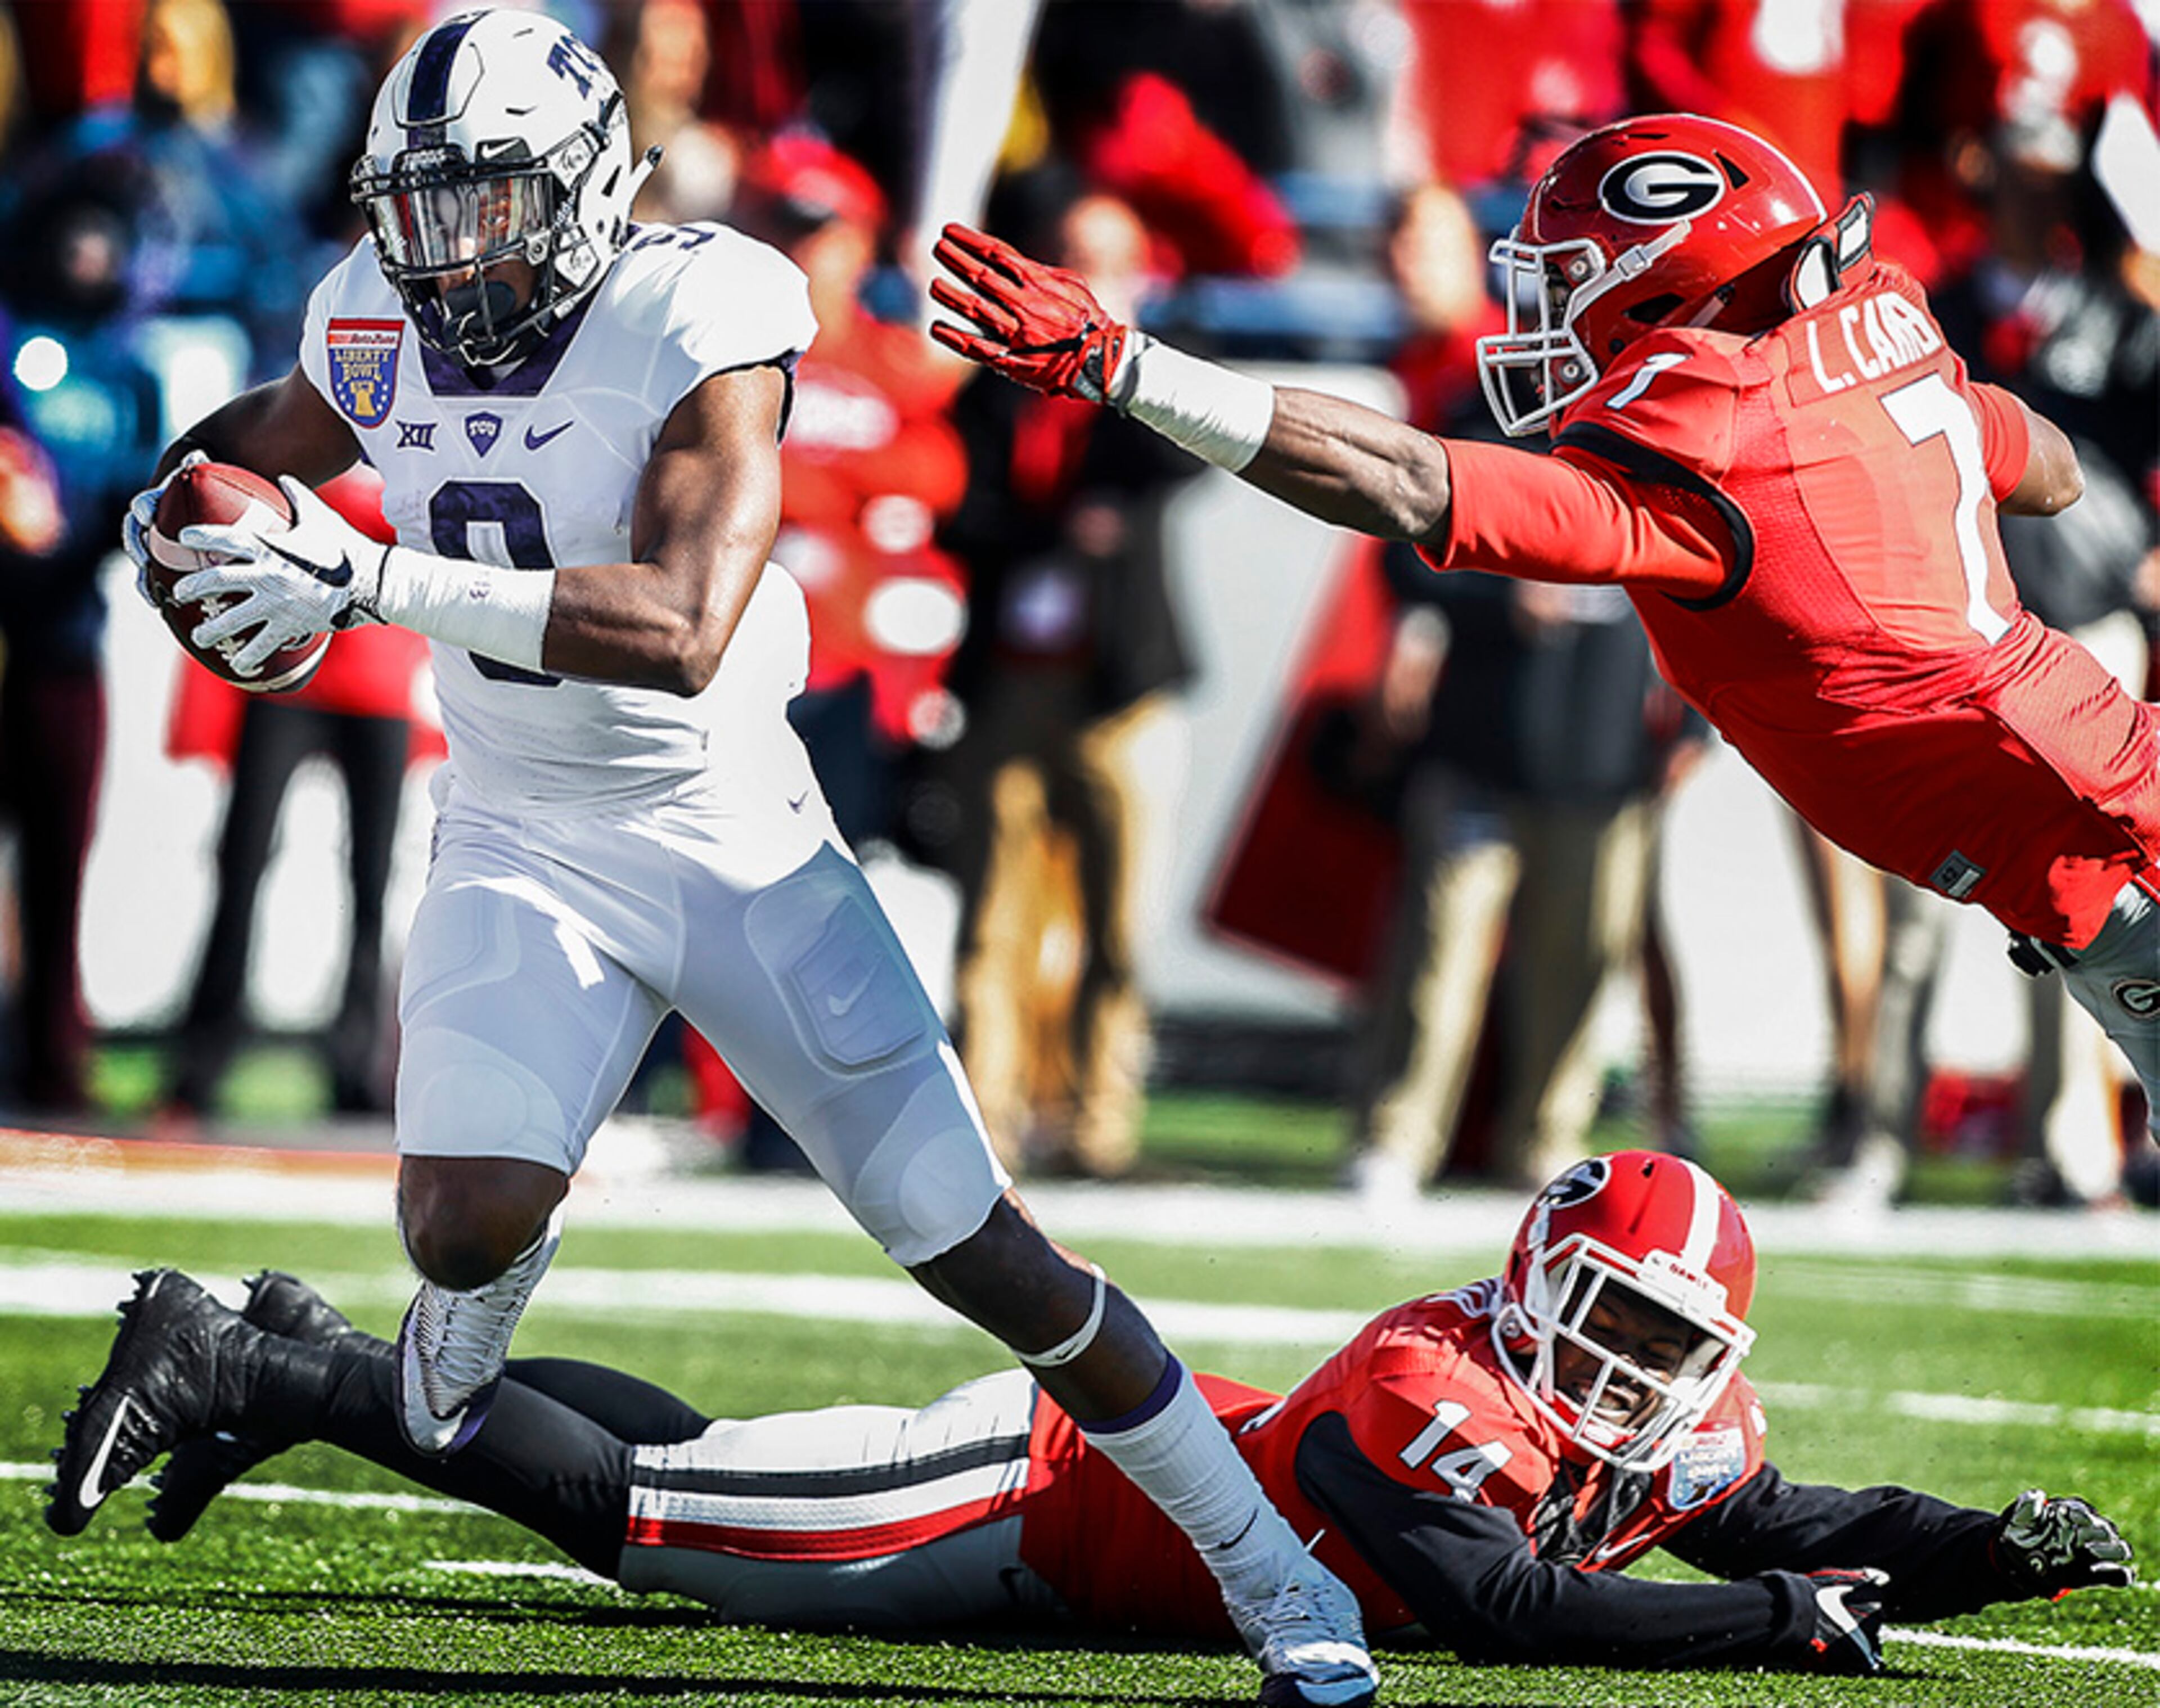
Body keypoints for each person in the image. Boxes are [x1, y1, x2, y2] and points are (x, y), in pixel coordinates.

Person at [104, 15, 1374, 1705]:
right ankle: (445, 1361)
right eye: (414, 209)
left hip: (726, 828)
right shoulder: (371, 311)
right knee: (462, 1223)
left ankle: (1267, 1567)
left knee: (976, 1242)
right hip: (518, 817)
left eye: (480, 204)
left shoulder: (698, 311)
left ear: (582, 187)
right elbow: (261, 438)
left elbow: (687, 625)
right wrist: (171, 507)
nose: (441, 251)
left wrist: (367, 581)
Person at [925, 111, 2160, 1143]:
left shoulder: (1710, 442)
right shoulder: (1879, 351)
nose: (1546, 317)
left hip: (2093, 819)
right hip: (2081, 816)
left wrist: (1127, 366)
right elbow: (2041, 463)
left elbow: (1407, 482)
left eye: (1569, 280)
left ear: (1669, 273)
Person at [43, 1151, 2135, 1678]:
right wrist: (1789, 1634)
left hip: (1063, 1547)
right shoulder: (1427, 1379)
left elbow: (1784, 1508)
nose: (1616, 1359)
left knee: (703, 1468)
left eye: (1650, 1328)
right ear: (1525, 1269)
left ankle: (319, 1351)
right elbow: (1496, 1605)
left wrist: (1971, 1552)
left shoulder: (1665, 1422)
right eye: (1591, 1306)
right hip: (1034, 1496)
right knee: (659, 1519)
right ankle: (255, 1358)